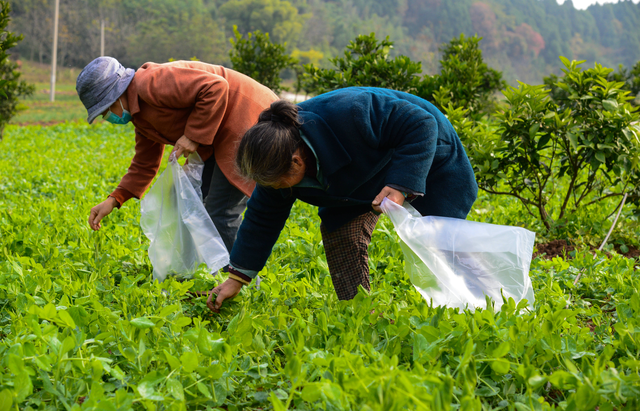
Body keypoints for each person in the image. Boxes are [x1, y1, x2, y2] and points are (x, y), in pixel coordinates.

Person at [206, 87, 479, 312]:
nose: (274, 189)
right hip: (354, 180)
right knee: (340, 235)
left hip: (427, 153)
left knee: (444, 239)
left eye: (277, 183)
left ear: (297, 161)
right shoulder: (275, 164)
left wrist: (399, 185)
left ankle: (486, 297)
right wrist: (237, 278)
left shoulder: (352, 112)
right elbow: (261, 219)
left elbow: (421, 123)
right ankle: (361, 311)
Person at [75, 57, 278, 251]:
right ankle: (211, 273)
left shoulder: (150, 82)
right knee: (194, 204)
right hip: (223, 136)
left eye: (105, 111)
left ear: (116, 95)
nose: (106, 117)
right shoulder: (141, 118)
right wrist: (114, 199)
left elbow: (215, 87)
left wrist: (192, 135)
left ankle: (242, 282)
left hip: (249, 120)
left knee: (220, 212)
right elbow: (145, 165)